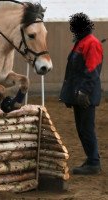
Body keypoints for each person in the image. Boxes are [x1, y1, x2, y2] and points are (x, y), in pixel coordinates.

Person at [59, 12, 103, 175]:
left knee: (86, 128)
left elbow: (92, 70)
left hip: (86, 94)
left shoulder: (90, 43)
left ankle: (93, 163)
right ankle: (91, 159)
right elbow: (74, 71)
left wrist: (83, 92)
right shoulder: (82, 42)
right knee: (82, 129)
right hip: (79, 94)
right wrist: (70, 94)